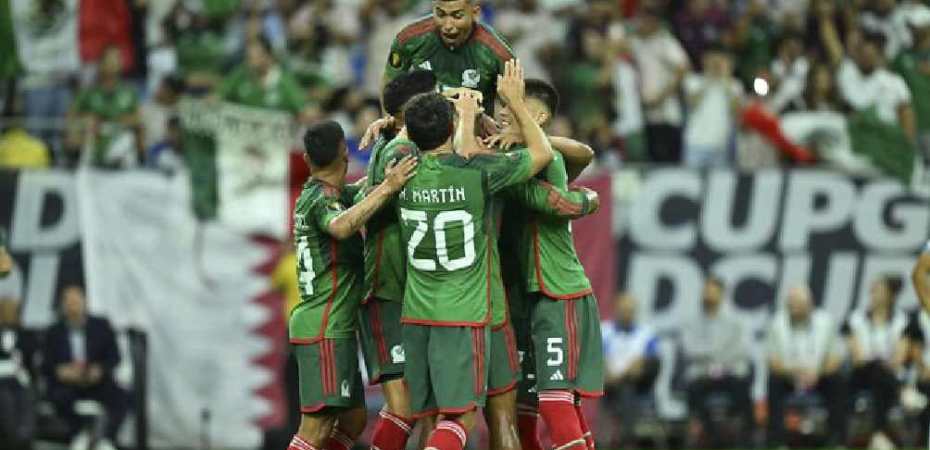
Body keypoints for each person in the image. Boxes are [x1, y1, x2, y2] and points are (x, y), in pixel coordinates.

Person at [394, 59, 551, 450]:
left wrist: (450, 114)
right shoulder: (479, 171)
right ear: (450, 127)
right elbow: (542, 153)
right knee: (476, 418)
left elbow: (410, 135)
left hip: (418, 313)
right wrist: (510, 103)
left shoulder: (397, 168)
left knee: (430, 420)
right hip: (473, 312)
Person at [286, 121, 416, 450]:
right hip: (325, 327)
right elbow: (342, 226)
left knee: (353, 419)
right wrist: (389, 187)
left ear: (307, 158)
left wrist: (392, 139)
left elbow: (362, 192)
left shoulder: (319, 194)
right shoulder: (322, 201)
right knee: (316, 428)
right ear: (345, 153)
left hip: (330, 325)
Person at [488, 77, 600, 450]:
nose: (503, 112)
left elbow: (565, 194)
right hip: (520, 299)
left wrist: (583, 200)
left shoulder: (545, 159)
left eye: (513, 104)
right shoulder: (511, 157)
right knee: (524, 411)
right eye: (501, 104)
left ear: (537, 117)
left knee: (555, 402)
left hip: (556, 292)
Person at [357, 69, 437, 450]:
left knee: (430, 407)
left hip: (413, 292)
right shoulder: (401, 153)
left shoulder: (395, 142)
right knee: (404, 409)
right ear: (410, 112)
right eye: (434, 98)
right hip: (386, 289)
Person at [382, 0, 515, 113]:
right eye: (440, 14)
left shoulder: (498, 52)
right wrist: (389, 119)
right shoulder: (409, 39)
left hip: (474, 131)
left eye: (457, 16)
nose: (448, 26)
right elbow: (390, 82)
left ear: (475, 13)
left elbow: (515, 102)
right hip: (422, 130)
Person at [42, 285, 128, 445]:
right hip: (67, 385)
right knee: (58, 397)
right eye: (69, 303)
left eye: (76, 302)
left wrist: (100, 369)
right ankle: (80, 433)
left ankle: (106, 438)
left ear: (85, 303)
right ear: (62, 306)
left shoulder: (101, 325)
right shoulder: (54, 331)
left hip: (96, 382)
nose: (73, 307)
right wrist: (60, 371)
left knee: (121, 397)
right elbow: (46, 364)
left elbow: (115, 357)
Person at [766, 285, 847, 448]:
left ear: (810, 305)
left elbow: (836, 357)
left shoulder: (826, 322)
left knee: (837, 381)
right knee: (774, 381)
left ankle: (837, 440)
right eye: (791, 305)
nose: (794, 309)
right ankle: (777, 441)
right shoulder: (777, 323)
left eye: (798, 305)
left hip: (819, 375)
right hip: (789, 376)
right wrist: (793, 372)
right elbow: (772, 361)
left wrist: (818, 373)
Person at [680, 277, 753, 448]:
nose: (708, 295)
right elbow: (689, 349)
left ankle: (746, 440)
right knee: (693, 390)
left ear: (722, 294)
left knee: (743, 388)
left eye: (712, 291)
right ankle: (708, 437)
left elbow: (741, 350)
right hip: (702, 373)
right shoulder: (690, 322)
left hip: (730, 371)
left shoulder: (737, 320)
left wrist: (714, 356)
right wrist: (717, 353)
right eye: (706, 291)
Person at [842, 276, 908, 450]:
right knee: (876, 368)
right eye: (872, 291)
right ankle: (903, 392)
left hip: (888, 375)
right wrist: (878, 362)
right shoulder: (856, 318)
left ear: (889, 295)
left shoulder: (901, 320)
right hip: (861, 374)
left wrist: (885, 364)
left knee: (880, 377)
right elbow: (857, 357)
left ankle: (877, 436)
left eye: (877, 290)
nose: (872, 294)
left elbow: (900, 356)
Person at [69, 45, 143, 168]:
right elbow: (72, 117)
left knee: (128, 138)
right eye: (110, 59)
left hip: (121, 143)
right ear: (101, 64)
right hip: (93, 141)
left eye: (118, 59)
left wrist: (122, 121)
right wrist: (86, 119)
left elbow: (138, 118)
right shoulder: (88, 91)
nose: (114, 63)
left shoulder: (129, 91)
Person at [601, 293, 659, 448]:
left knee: (629, 387)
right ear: (616, 310)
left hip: (637, 384)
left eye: (630, 311)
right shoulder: (604, 331)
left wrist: (636, 368)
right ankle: (625, 440)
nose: (626, 314)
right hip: (608, 385)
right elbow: (597, 358)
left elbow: (652, 361)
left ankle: (626, 439)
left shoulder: (646, 334)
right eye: (623, 310)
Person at [682, 44, 744, 167]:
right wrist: (709, 78)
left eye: (720, 60)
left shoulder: (735, 85)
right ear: (705, 60)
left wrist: (725, 79)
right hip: (695, 143)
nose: (716, 64)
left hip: (721, 145)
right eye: (713, 60)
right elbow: (692, 103)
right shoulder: (693, 81)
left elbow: (736, 112)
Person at [0, 297, 36, 450]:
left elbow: (30, 358)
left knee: (26, 397)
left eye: (12, 310)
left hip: (20, 379)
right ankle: (13, 440)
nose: (9, 313)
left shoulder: (26, 335)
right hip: (1, 380)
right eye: (5, 310)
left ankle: (25, 436)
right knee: (5, 399)